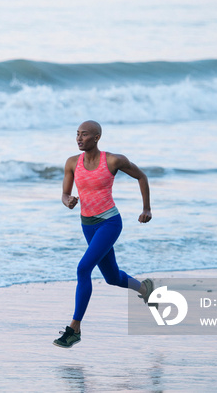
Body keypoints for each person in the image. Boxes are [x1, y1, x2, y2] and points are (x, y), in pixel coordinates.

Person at [53, 120, 154, 348]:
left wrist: (146, 208)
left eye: (85, 135)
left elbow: (142, 177)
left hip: (109, 223)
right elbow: (64, 193)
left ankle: (74, 329)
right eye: (77, 134)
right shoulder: (71, 163)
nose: (79, 138)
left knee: (83, 268)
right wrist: (67, 200)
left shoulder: (113, 160)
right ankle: (145, 289)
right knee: (112, 277)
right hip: (87, 224)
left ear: (96, 137)